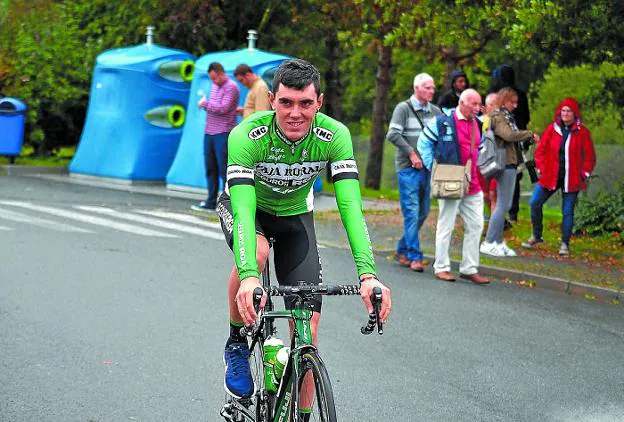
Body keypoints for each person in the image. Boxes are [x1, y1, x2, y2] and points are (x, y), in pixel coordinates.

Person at [216, 59, 392, 400]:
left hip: (296, 218)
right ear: (271, 100)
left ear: (319, 103)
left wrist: (368, 274)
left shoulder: (334, 136)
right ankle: (236, 341)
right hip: (247, 210)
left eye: (305, 104)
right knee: (260, 251)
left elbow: (350, 207)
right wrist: (251, 275)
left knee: (307, 334)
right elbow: (243, 206)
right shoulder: (247, 136)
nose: (295, 113)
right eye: (286, 102)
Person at [417, 89, 490, 284]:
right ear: (463, 102)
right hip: (449, 181)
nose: (477, 108)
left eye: (479, 104)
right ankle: (441, 267)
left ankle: (469, 268)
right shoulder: (443, 122)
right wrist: (432, 168)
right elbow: (423, 142)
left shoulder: (478, 124)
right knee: (446, 224)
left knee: (476, 224)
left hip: (472, 183)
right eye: (474, 104)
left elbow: (479, 149)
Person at [521, 98, 596, 256]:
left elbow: (590, 157)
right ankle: (536, 235)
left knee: (567, 211)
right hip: (550, 176)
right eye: (563, 111)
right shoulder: (552, 129)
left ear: (575, 114)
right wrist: (540, 168)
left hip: (572, 179)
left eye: (568, 111)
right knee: (535, 203)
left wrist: (585, 173)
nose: (565, 114)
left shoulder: (583, 132)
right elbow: (540, 151)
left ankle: (565, 244)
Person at [386, 73, 441, 272]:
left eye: (433, 87)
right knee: (412, 212)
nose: (432, 91)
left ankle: (402, 249)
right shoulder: (404, 109)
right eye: (427, 87)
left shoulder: (435, 111)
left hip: (427, 168)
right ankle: (414, 256)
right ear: (416, 88)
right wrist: (411, 154)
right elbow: (392, 134)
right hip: (408, 169)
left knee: (423, 212)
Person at [480, 88, 538, 257]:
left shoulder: (504, 116)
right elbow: (508, 135)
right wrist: (528, 134)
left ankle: (497, 242)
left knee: (502, 204)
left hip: (508, 163)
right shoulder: (499, 116)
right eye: (513, 102)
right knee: (503, 205)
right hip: (505, 163)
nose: (515, 105)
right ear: (504, 101)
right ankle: (490, 241)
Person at [192, 62, 240, 211]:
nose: (213, 82)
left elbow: (223, 109)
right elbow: (214, 106)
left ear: (221, 73)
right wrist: (208, 104)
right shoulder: (214, 86)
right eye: (211, 79)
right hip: (209, 132)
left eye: (215, 78)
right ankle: (211, 201)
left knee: (223, 169)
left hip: (223, 133)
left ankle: (229, 203)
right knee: (210, 168)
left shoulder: (231, 87)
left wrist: (205, 104)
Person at [491, 65, 530, 222]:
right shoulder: (514, 95)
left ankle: (509, 211)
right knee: (511, 174)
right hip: (509, 139)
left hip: (511, 140)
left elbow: (524, 118)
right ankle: (508, 211)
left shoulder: (499, 95)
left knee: (512, 174)